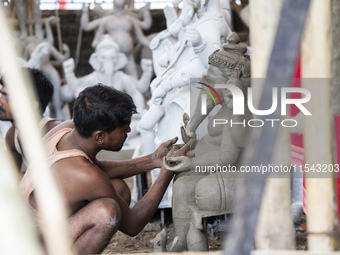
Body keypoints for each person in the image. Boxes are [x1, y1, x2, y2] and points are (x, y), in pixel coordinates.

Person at [19, 84, 189, 254]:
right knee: (107, 212)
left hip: (27, 231)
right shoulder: (85, 175)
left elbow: (97, 168)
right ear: (99, 136)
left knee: (118, 189)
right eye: (123, 129)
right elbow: (133, 225)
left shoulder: (64, 130)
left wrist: (152, 160)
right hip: (31, 248)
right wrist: (166, 173)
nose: (129, 130)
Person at [0, 68, 61, 171]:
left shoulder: (54, 133)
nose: (1, 102)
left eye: (8, 97)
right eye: (2, 94)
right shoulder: (12, 136)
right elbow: (16, 180)